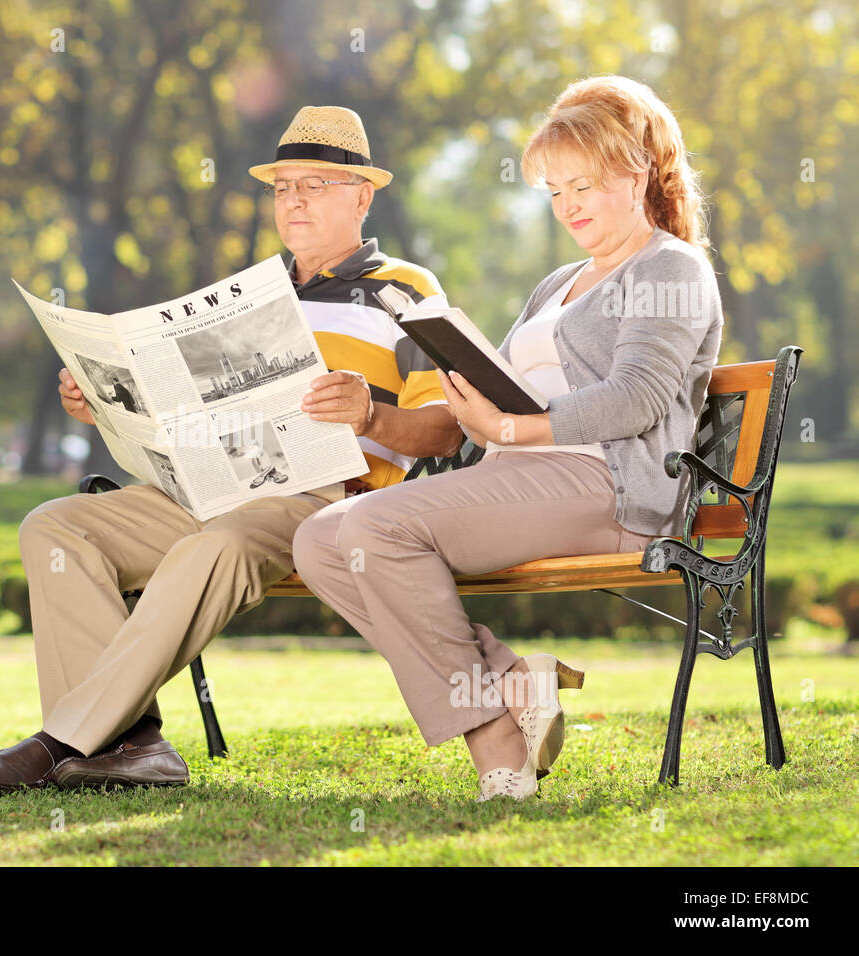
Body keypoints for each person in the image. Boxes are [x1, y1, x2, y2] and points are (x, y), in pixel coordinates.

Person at [0, 105, 463, 795]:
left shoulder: (405, 289)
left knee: (220, 543)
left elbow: (447, 428)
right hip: (209, 484)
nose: (292, 198)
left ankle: (64, 739)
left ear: (362, 194)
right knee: (54, 527)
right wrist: (105, 402)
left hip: (326, 501)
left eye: (314, 184)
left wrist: (370, 413)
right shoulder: (252, 293)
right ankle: (132, 743)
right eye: (281, 185)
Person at [292, 76, 723, 802]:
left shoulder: (670, 268)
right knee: (319, 542)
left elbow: (636, 399)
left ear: (637, 172)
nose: (569, 207)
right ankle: (516, 684)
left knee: (374, 526)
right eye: (555, 192)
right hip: (519, 476)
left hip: (609, 485)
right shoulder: (559, 283)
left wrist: (513, 428)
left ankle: (497, 747)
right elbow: (506, 385)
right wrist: (469, 396)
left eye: (582, 184)